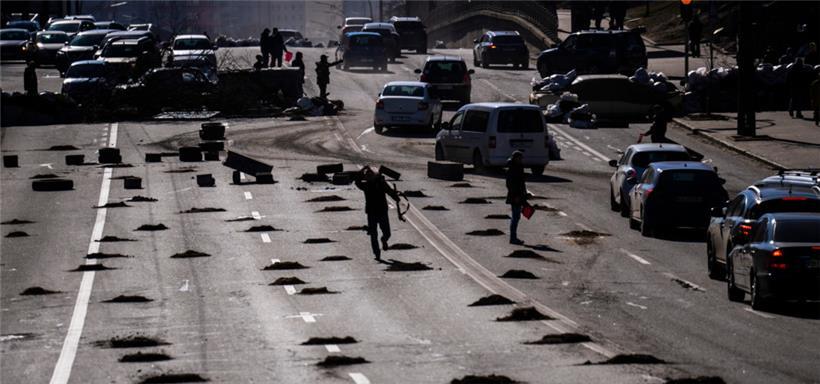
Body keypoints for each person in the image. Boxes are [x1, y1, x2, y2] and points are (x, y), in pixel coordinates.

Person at [355, 166, 401, 260]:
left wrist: (396, 197)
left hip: (382, 211)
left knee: (387, 233)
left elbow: (389, 191)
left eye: (370, 175)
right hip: (372, 213)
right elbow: (357, 181)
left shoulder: (380, 183)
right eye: (367, 176)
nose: (369, 177)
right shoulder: (366, 186)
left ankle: (384, 239)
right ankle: (377, 253)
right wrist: (363, 169)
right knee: (373, 234)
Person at [506, 151, 527, 245]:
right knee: (515, 217)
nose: (521, 160)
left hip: (519, 195)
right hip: (515, 196)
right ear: (515, 158)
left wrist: (525, 193)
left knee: (517, 217)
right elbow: (511, 184)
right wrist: (516, 196)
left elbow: (521, 183)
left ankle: (513, 237)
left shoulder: (518, 167)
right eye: (520, 158)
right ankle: (513, 238)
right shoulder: (513, 169)